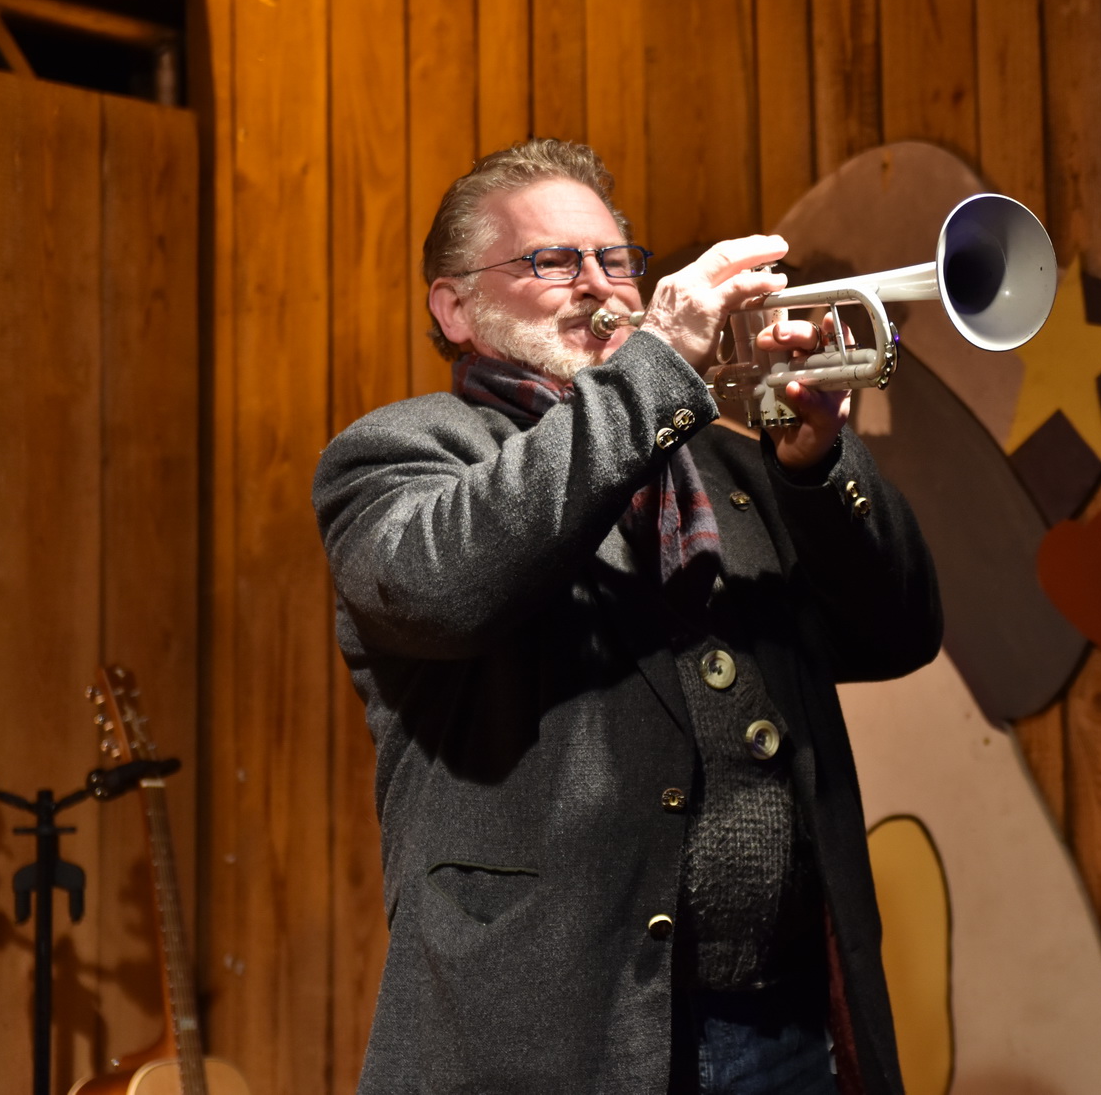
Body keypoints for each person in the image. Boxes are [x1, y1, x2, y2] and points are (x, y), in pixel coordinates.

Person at [313, 138, 941, 1095]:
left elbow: (897, 634)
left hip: (781, 1029)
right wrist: (654, 368)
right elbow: (444, 586)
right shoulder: (405, 452)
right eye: (553, 261)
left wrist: (815, 466)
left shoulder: (729, 474)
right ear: (455, 306)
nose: (601, 290)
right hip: (556, 1038)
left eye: (615, 261)